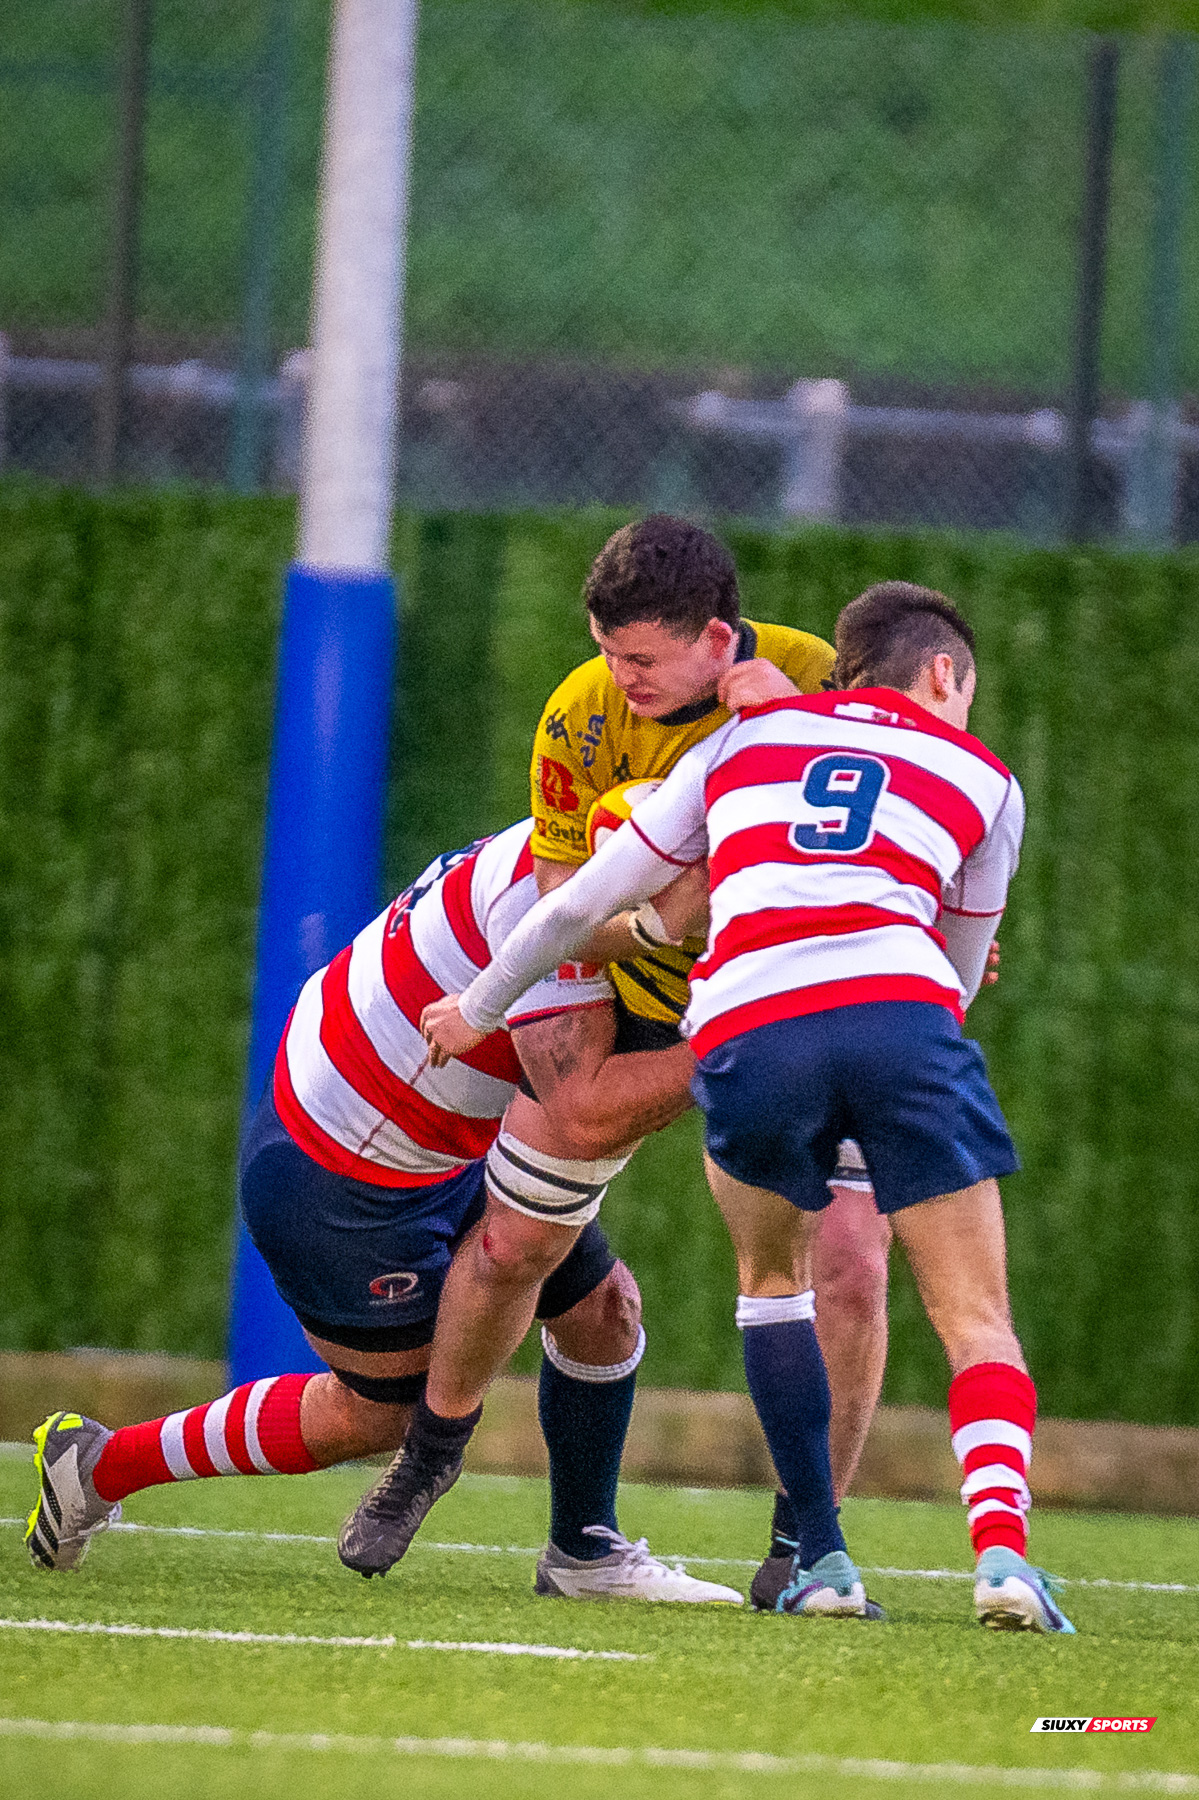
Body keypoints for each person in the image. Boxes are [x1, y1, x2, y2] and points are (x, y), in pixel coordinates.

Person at [423, 581, 1075, 1634]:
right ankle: (1001, 1555)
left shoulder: (737, 743)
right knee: (974, 1314)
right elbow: (956, 972)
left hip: (747, 1024)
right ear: (943, 674)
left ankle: (818, 1558)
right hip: (899, 1018)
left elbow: (581, 901)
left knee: (774, 1284)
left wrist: (477, 1006)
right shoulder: (984, 773)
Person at [339, 515, 893, 1592]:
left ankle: (803, 1547)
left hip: (803, 998)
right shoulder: (577, 715)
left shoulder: (814, 682)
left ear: (718, 640)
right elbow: (557, 908)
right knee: (512, 1244)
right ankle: (428, 1459)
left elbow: (921, 812)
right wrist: (654, 925)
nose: (615, 676)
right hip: (638, 994)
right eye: (604, 648)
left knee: (851, 1266)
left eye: (638, 658)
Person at [25, 819, 742, 1607]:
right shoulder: (561, 904)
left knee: (604, 1310)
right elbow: (583, 1112)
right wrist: (750, 1036)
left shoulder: (591, 848)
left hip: (415, 1126)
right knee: (378, 1415)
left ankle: (585, 1552)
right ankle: (97, 1465)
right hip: (341, 1165)